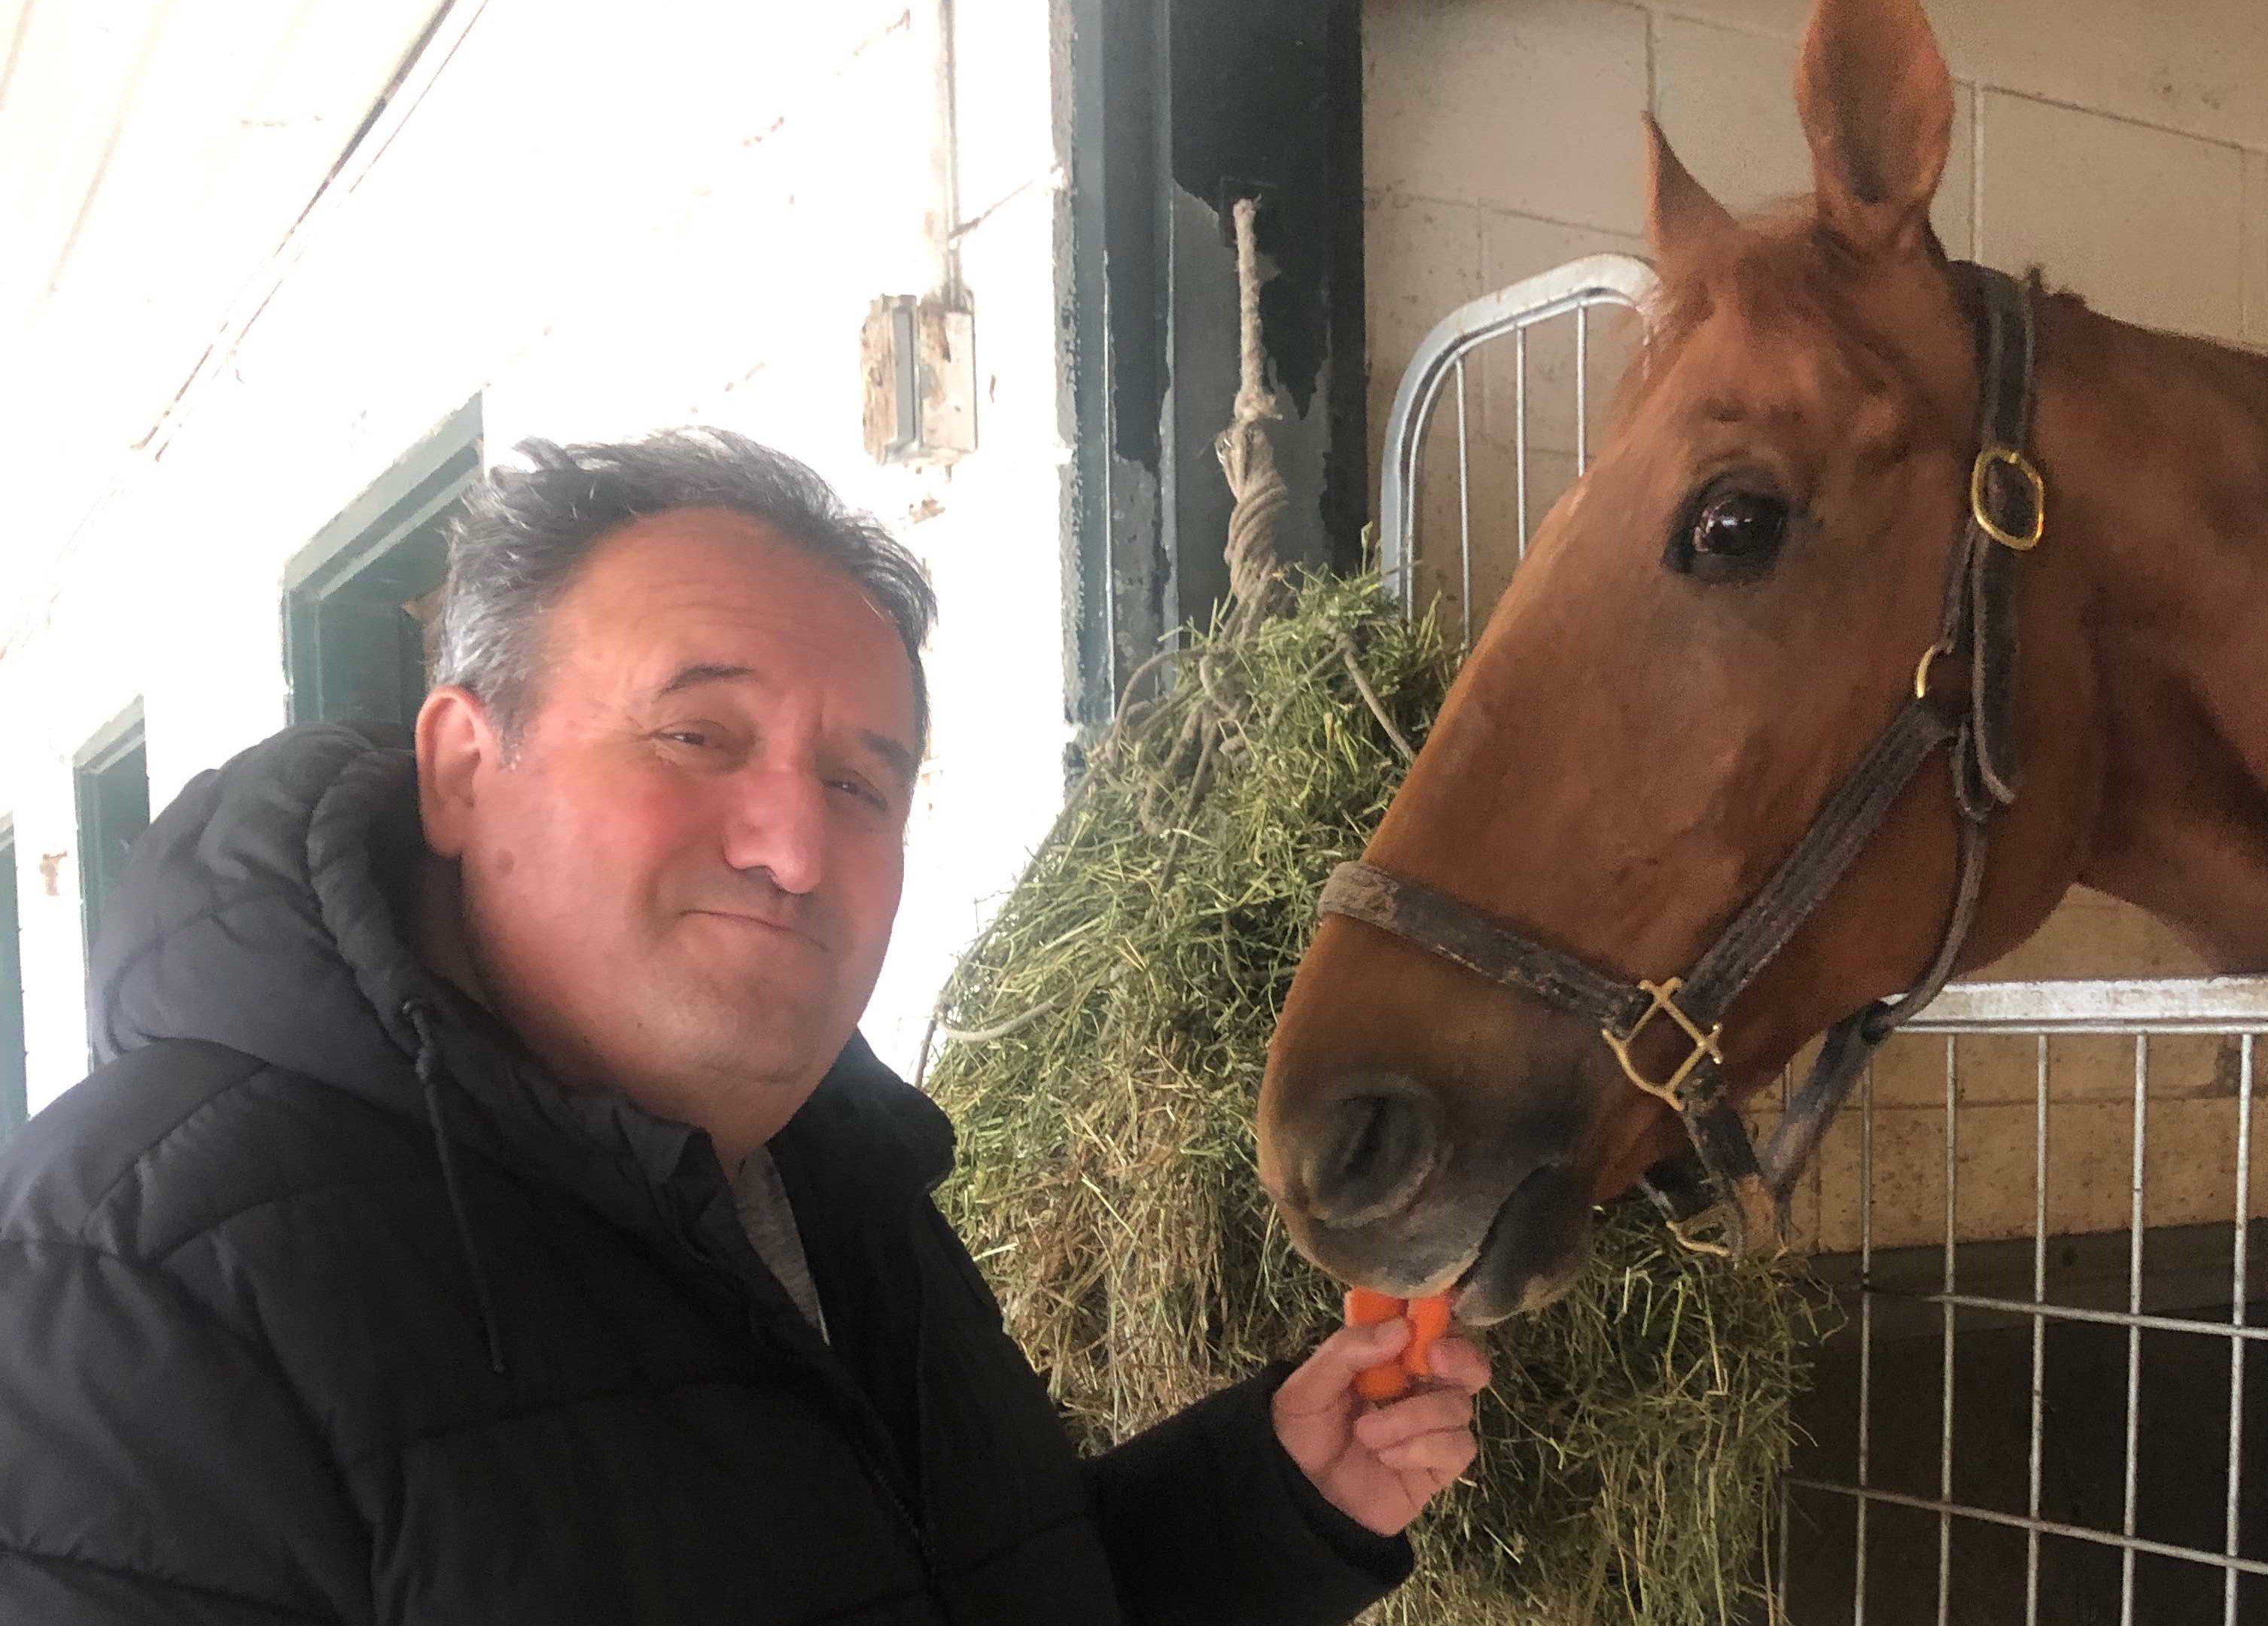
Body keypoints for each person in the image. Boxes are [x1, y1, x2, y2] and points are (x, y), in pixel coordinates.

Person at [0, 429, 1488, 1624]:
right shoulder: (123, 1296)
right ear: (462, 765)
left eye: (863, 780)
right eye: (697, 736)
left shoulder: (834, 1182)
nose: (791, 842)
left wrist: (1276, 1497)